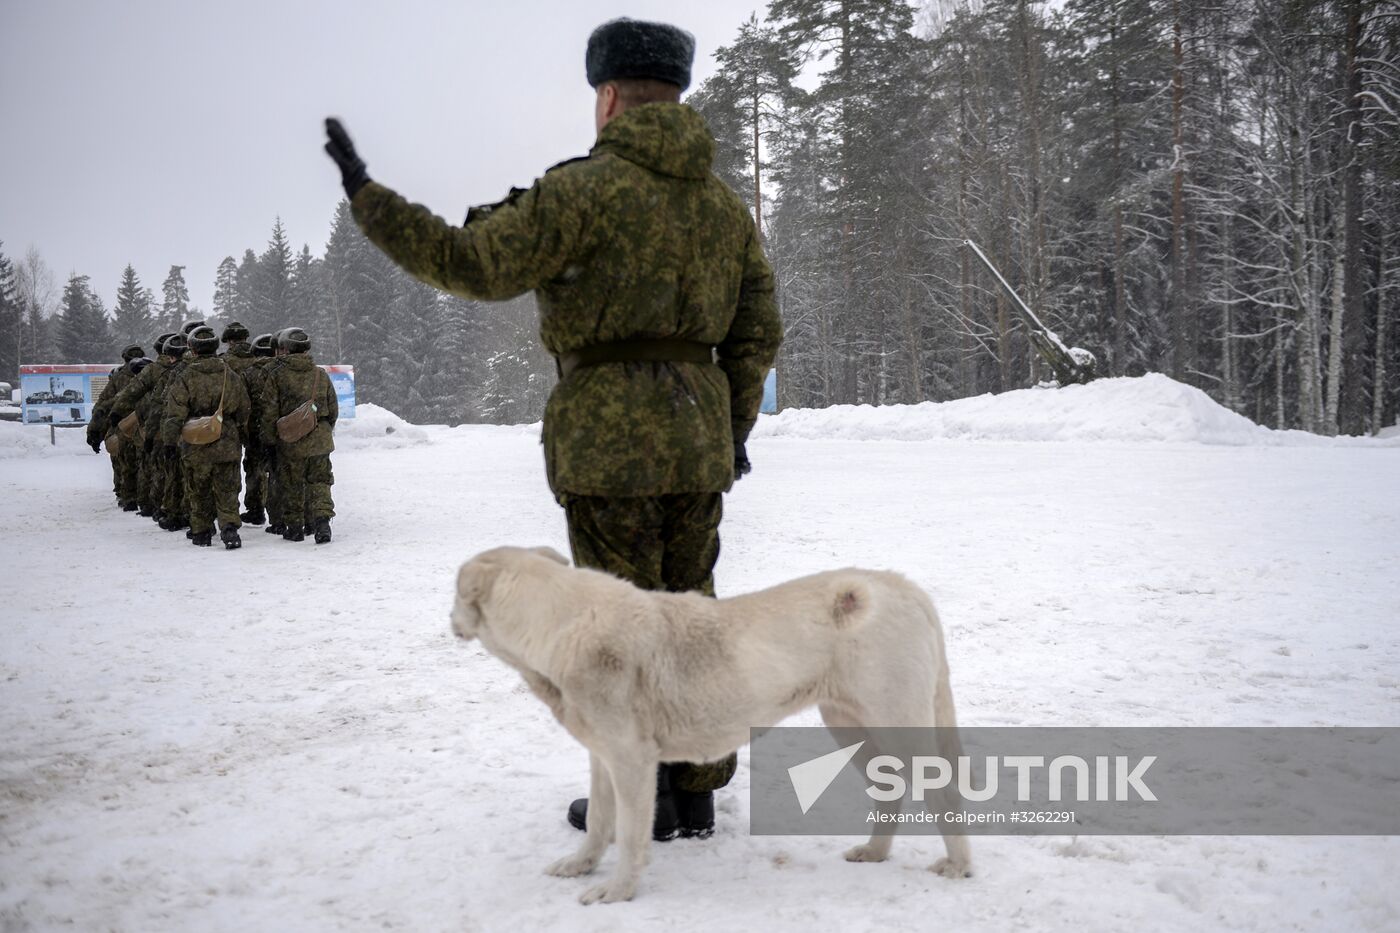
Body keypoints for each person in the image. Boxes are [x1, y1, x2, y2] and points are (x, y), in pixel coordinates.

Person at [322, 17, 783, 837]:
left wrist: (368, 197)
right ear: (675, 96)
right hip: (697, 437)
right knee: (694, 617)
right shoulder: (723, 207)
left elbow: (470, 262)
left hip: (607, 441)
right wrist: (731, 426)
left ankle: (641, 798)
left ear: (607, 98)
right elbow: (756, 332)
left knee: (616, 628)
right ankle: (696, 790)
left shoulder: (582, 191)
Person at [162, 326, 251, 549]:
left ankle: (201, 530)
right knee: (227, 488)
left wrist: (169, 442)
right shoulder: (230, 375)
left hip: (196, 442)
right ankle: (229, 527)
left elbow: (174, 413)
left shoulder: (185, 377)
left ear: (192, 349)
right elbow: (244, 410)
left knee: (198, 489)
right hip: (226, 441)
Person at [259, 327, 337, 544]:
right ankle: (321, 522)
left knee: (292, 483)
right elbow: (332, 409)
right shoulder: (320, 375)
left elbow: (269, 412)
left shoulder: (277, 375)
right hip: (320, 438)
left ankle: (294, 527)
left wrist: (270, 441)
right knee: (320, 482)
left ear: (284, 349)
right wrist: (322, 430)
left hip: (290, 441)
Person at [87, 343, 147, 509]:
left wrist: (94, 433)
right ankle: (146, 498)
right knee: (146, 464)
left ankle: (128, 497)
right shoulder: (151, 372)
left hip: (123, 427)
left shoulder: (118, 378)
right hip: (146, 425)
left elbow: (102, 407)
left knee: (126, 464)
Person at [240, 332, 278, 527]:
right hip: (280, 429)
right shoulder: (280, 371)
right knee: (278, 471)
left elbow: (242, 405)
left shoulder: (248, 374)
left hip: (255, 430)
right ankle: (279, 514)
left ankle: (256, 509)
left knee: (254, 470)